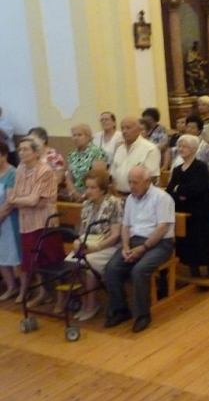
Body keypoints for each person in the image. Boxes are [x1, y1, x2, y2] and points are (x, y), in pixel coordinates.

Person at [104, 166, 175, 333]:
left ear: (148, 182)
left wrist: (143, 248)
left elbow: (162, 228)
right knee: (111, 268)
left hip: (160, 243)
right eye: (129, 182)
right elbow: (126, 226)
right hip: (135, 241)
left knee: (139, 270)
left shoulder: (162, 198)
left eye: (135, 182)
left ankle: (143, 314)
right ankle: (121, 310)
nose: (131, 186)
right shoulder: (130, 199)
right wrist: (126, 246)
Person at [10, 136, 64, 305]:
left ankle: (62, 298)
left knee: (52, 260)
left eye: (25, 149)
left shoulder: (45, 171)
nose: (21, 153)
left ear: (35, 152)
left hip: (44, 222)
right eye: (19, 149)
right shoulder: (20, 169)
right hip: (26, 222)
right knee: (34, 261)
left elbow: (32, 200)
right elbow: (14, 195)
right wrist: (20, 199)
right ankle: (43, 293)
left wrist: (18, 200)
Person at [63, 169, 122, 320]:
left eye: (93, 187)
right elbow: (82, 231)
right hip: (88, 245)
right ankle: (83, 302)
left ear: (102, 188)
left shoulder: (114, 203)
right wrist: (77, 242)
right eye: (87, 187)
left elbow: (116, 235)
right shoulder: (87, 204)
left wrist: (96, 248)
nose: (88, 191)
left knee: (88, 265)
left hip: (108, 246)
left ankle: (92, 304)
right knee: (70, 263)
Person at [167, 134, 209, 280]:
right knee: (188, 240)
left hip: (204, 211)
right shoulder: (178, 169)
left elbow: (196, 189)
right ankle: (194, 268)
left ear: (193, 149)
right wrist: (180, 191)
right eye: (179, 146)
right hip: (186, 211)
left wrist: (179, 190)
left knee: (206, 239)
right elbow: (170, 190)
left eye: (184, 146)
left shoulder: (201, 167)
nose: (181, 149)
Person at [111, 117, 161, 196]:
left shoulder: (150, 149)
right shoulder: (119, 149)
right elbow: (113, 175)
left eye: (128, 128)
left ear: (139, 129)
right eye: (122, 128)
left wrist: (134, 197)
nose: (124, 131)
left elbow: (152, 177)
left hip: (141, 197)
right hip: (119, 195)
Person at [65, 124, 108, 202]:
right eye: (74, 135)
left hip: (93, 196)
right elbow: (69, 178)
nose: (76, 138)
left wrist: (84, 195)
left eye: (80, 135)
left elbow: (99, 179)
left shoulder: (96, 152)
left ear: (88, 137)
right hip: (75, 196)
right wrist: (74, 193)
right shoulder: (72, 155)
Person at [0, 141, 20, 300]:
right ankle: (10, 286)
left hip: (8, 220)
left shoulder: (12, 173)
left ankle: (23, 288)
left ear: (4, 155)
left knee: (13, 255)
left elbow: (10, 201)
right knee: (1, 256)